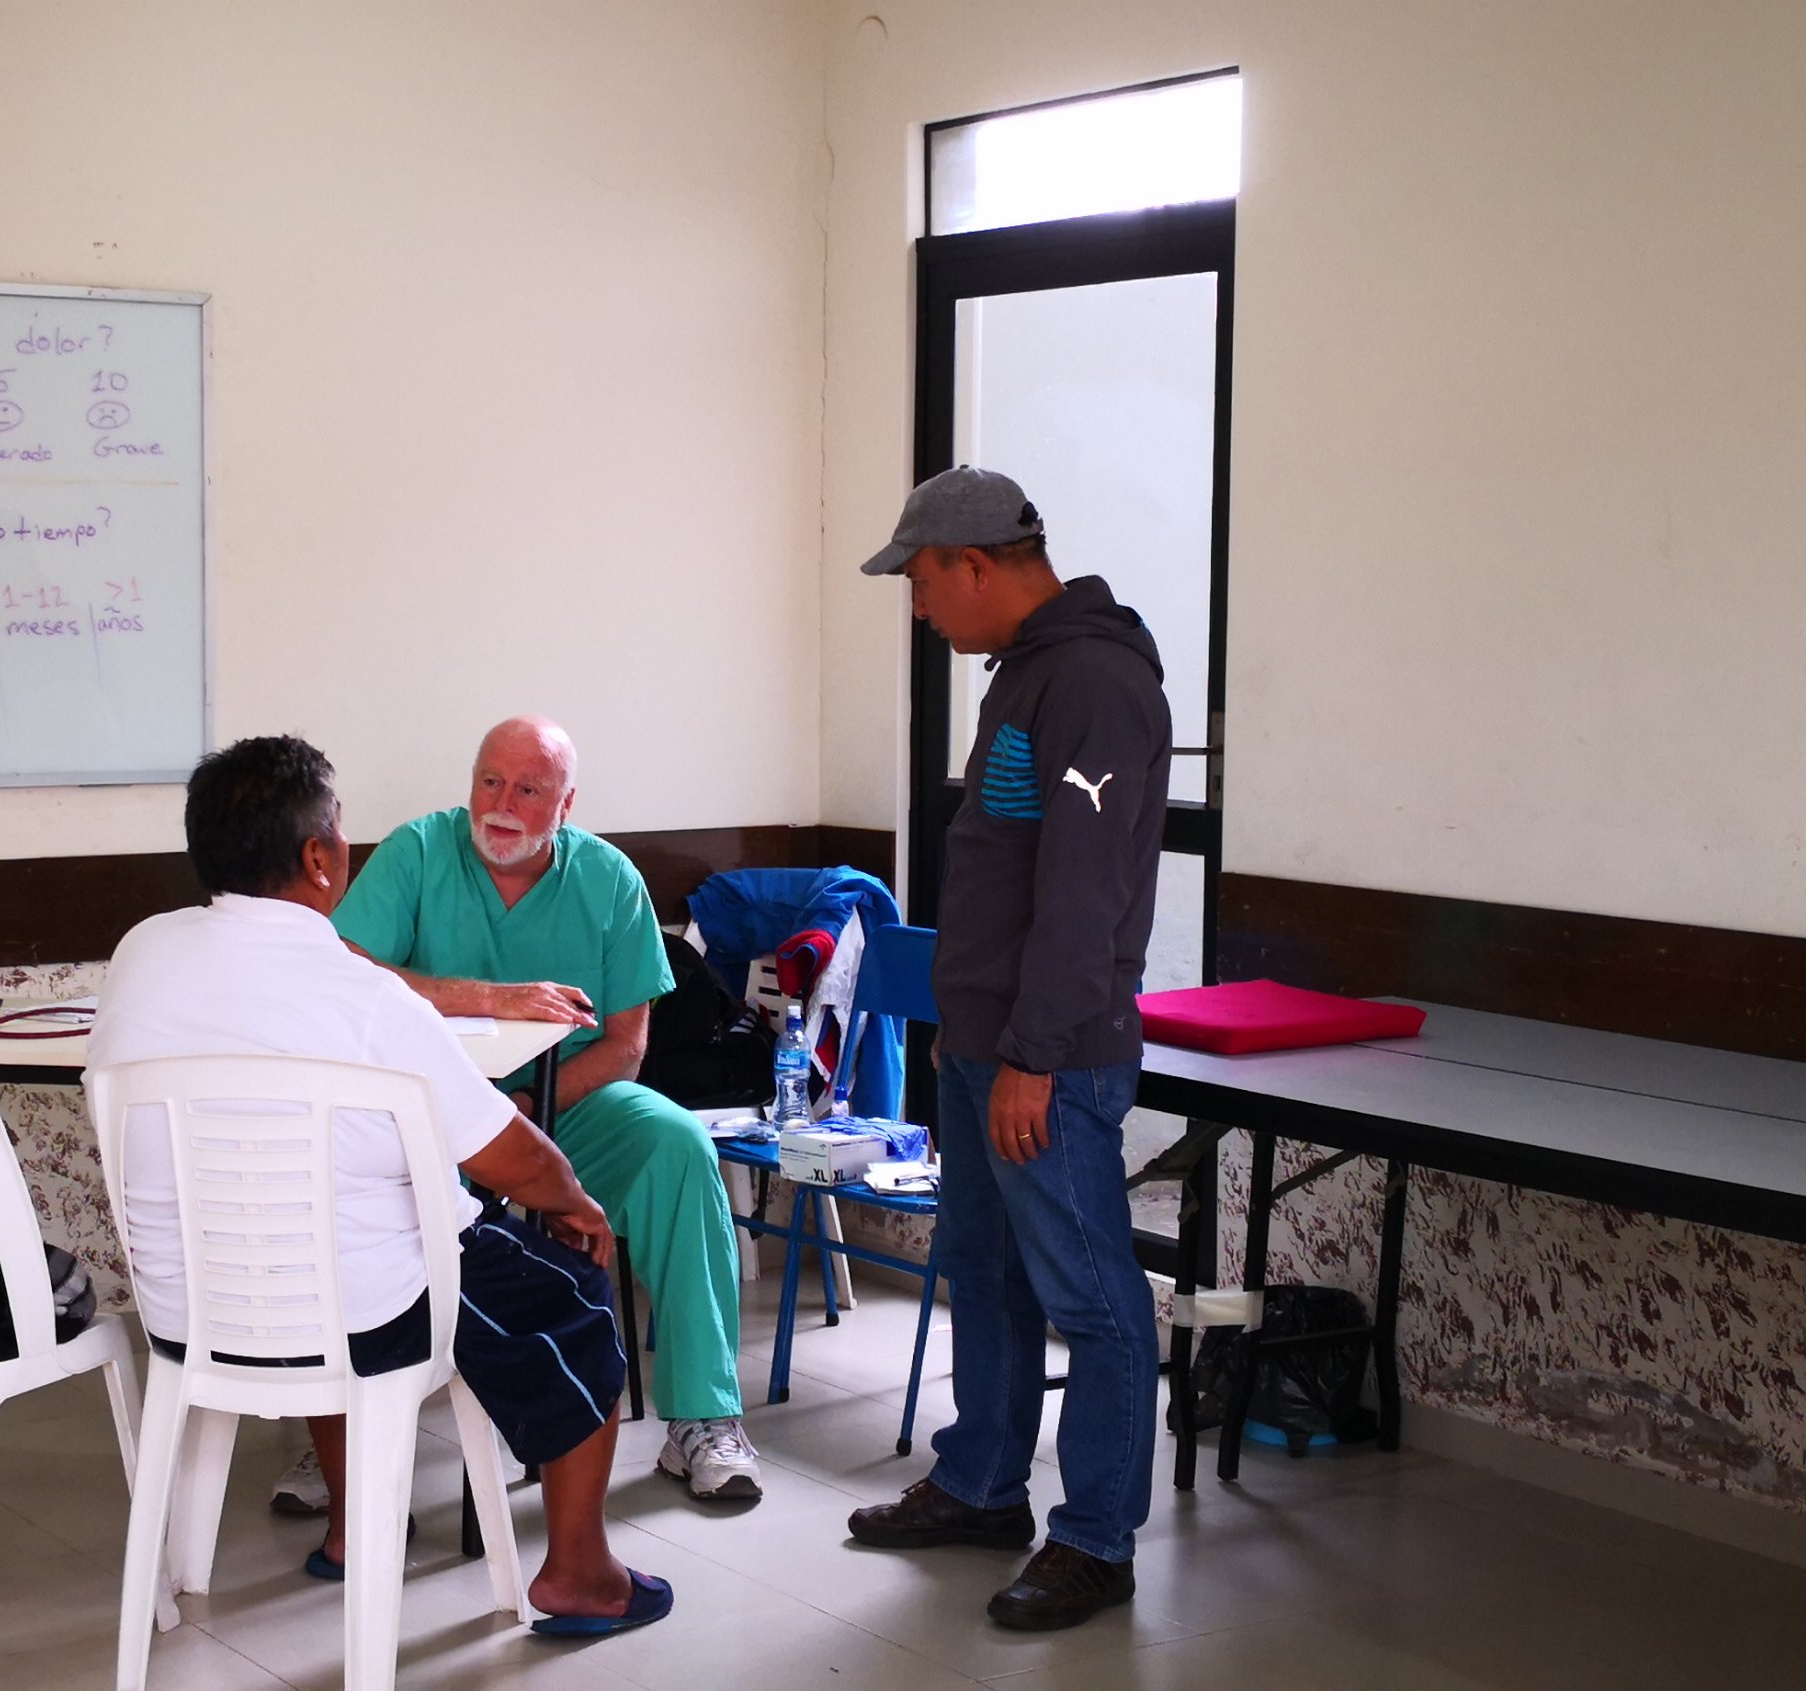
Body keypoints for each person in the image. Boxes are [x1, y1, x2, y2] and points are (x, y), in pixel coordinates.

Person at [87, 735, 672, 1637]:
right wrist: (573, 1201)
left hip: (191, 1309)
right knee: (572, 1296)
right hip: (358, 1317)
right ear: (321, 857)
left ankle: (355, 1528)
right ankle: (581, 1573)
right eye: (339, 832)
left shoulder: (142, 951)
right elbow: (509, 1156)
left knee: (331, 1250)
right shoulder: (364, 994)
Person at [843, 467, 1173, 1632]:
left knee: (1091, 1293)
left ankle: (1095, 1540)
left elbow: (1086, 893)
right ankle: (983, 1484)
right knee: (983, 1268)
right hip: (989, 1042)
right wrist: (969, 1037)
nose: (919, 605)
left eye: (922, 580)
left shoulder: (1095, 682)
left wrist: (1032, 1052)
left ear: (975, 564)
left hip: (1054, 1055)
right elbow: (1003, 873)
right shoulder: (1026, 673)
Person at [301, 715, 766, 1504]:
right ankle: (345, 1432)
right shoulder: (419, 851)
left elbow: (625, 1047)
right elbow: (345, 970)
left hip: (565, 1106)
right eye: (490, 781)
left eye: (527, 788)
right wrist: (489, 999)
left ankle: (703, 1416)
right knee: (350, 1174)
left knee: (678, 1144)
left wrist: (519, 1109)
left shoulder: (609, 879)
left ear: (566, 802)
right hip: (424, 1115)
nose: (502, 803)